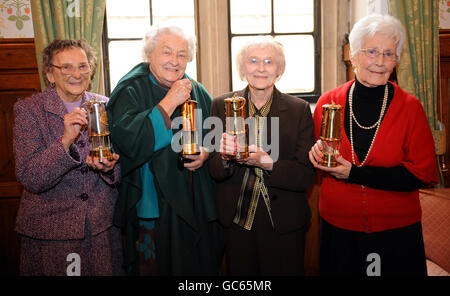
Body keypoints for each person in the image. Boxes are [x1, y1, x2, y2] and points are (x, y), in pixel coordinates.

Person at [309, 14, 439, 276]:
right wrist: (313, 155)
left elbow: (422, 173)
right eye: (371, 52)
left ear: (396, 60)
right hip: (339, 231)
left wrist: (355, 173)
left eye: (389, 53)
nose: (380, 62)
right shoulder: (327, 102)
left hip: (396, 234)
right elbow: (318, 162)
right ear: (353, 56)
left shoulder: (411, 108)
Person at [106, 24, 223, 275]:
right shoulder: (130, 89)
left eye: (182, 54)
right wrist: (169, 102)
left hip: (193, 200)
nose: (175, 61)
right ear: (150, 54)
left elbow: (216, 140)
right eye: (167, 52)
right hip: (152, 204)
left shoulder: (197, 90)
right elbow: (129, 142)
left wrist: (206, 153)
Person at [13, 39, 123, 276]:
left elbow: (122, 165)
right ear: (50, 74)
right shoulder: (29, 111)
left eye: (83, 66)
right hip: (50, 233)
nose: (76, 74)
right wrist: (65, 142)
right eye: (66, 67)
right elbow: (31, 176)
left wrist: (110, 168)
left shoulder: (105, 105)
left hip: (101, 228)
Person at [209, 36, 315, 275]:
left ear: (279, 69)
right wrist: (225, 157)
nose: (260, 68)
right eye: (253, 61)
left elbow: (306, 176)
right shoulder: (220, 105)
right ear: (242, 67)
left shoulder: (299, 110)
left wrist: (267, 163)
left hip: (284, 221)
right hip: (237, 221)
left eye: (269, 61)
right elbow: (214, 171)